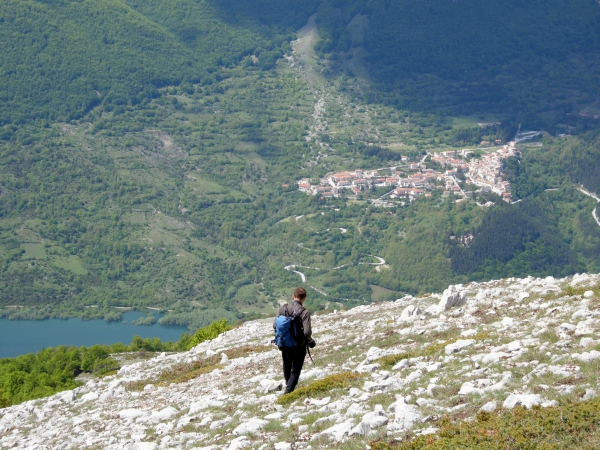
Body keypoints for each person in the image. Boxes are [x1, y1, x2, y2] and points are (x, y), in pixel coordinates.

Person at [273, 287, 316, 394]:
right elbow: (307, 332)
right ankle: (288, 393)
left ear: (293, 296)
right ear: (304, 298)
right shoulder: (304, 312)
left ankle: (288, 386)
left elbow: (275, 325)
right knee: (295, 370)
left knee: (287, 365)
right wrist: (310, 341)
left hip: (284, 344)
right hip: (298, 346)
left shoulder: (284, 308)